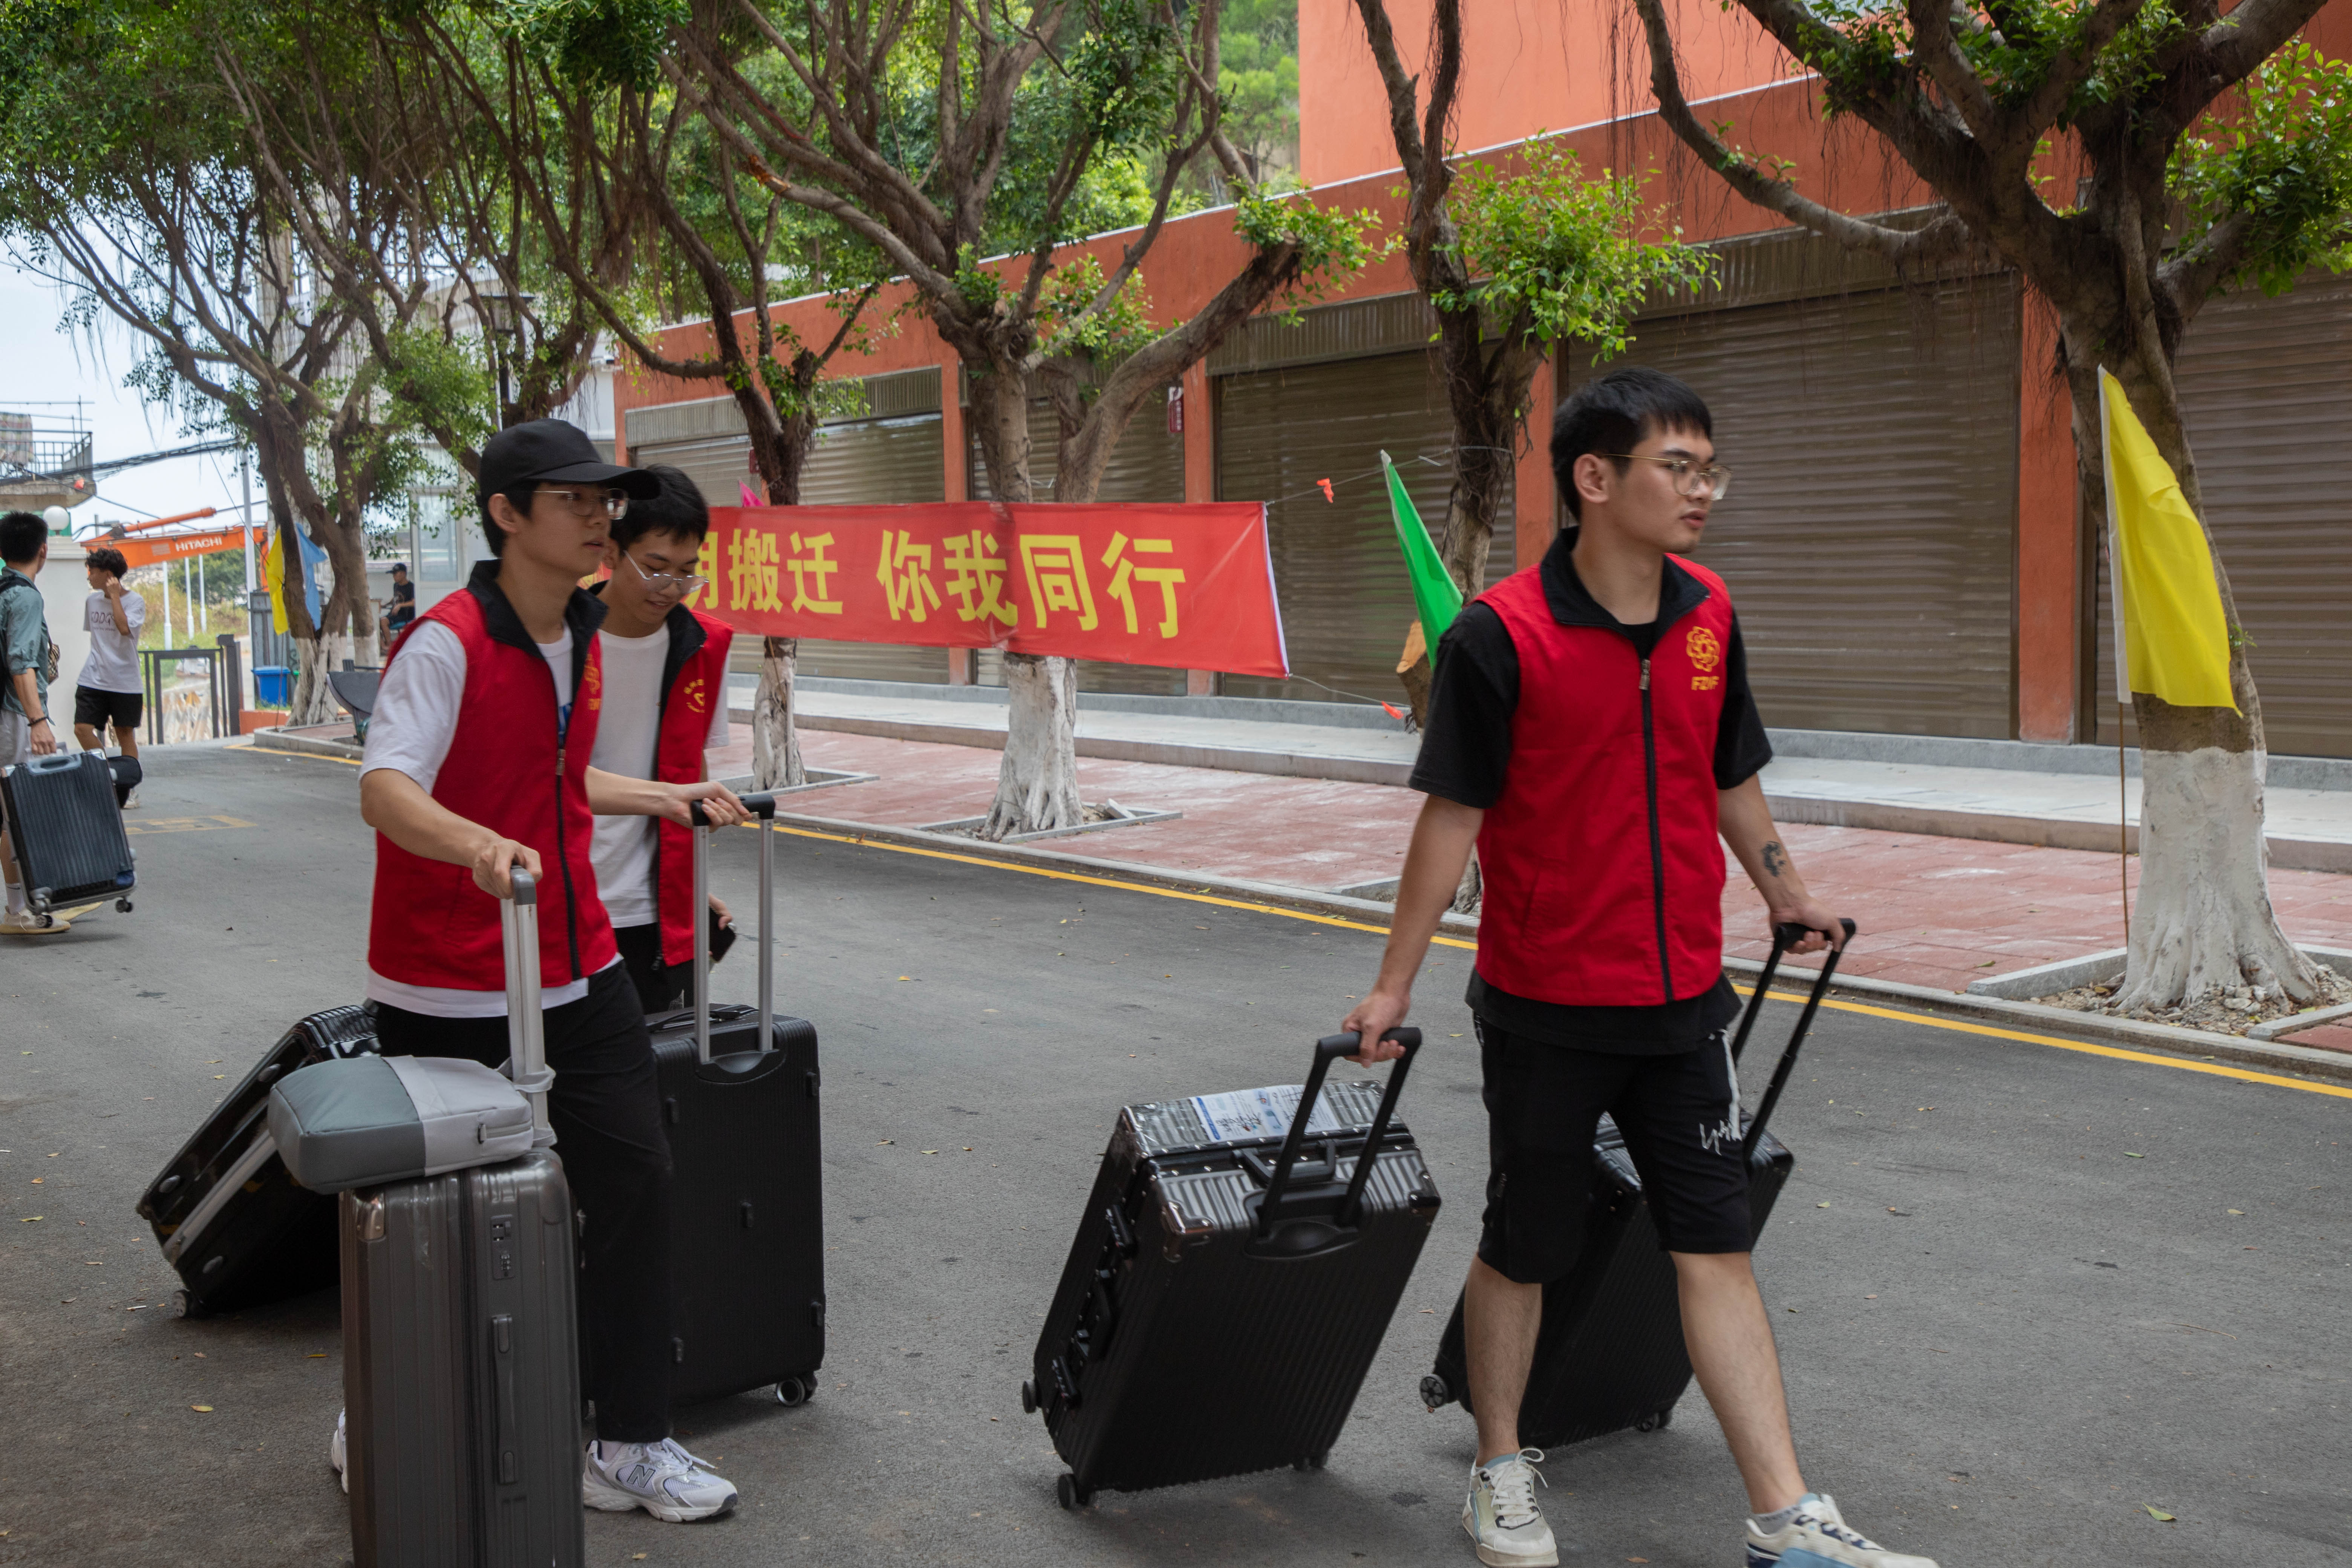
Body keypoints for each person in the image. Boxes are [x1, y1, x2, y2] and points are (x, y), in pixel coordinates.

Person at [1340, 369, 1935, 1568]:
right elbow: (1450, 819)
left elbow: (1727, 772)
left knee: (1715, 1242)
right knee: (1528, 1241)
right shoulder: (1499, 636)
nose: (1703, 490)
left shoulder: (1708, 612)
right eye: (1679, 467)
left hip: (1683, 1003)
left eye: (1712, 469)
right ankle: (1499, 1466)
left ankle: (1786, 1518)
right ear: (1595, 478)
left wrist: (1783, 890)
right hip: (1544, 1004)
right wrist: (1394, 983)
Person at [344, 418, 749, 1522]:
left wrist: (664, 806)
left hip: (579, 964)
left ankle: (629, 1441)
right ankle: (377, 1408)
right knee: (435, 1224)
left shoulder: (582, 629)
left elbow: (567, 784)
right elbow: (385, 786)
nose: (598, 518)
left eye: (603, 500)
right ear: (506, 513)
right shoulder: (447, 642)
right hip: (450, 977)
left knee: (635, 1181)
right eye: (574, 500)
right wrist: (475, 843)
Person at [586, 466, 736, 1014]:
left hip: (655, 914)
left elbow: (689, 771)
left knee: (661, 1056)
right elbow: (543, 773)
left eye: (687, 572)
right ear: (611, 550)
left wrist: (687, 885)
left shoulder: (705, 645)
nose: (672, 587)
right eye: (655, 568)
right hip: (568, 901)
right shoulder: (561, 639)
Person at [0, 510, 64, 934]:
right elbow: (21, 663)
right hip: (13, 715)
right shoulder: (25, 597)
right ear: (43, 551)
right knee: (16, 809)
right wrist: (38, 719)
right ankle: (20, 910)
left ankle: (18, 906)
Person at [73, 545, 145, 806]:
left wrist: (115, 597)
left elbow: (125, 630)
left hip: (125, 681)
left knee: (125, 735)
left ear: (108, 574)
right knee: (82, 729)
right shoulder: (91, 601)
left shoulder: (135, 601)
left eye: (93, 572)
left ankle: (129, 787)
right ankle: (107, 778)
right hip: (93, 678)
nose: (89, 577)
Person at [382, 561, 415, 635]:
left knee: (383, 621)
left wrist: (400, 606)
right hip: (394, 614)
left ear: (403, 574)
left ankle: (389, 643)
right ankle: (384, 642)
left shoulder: (411, 587)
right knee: (376, 623)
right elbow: (396, 598)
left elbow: (414, 602)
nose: (394, 577)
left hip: (405, 616)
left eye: (395, 574)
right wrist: (386, 605)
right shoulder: (396, 585)